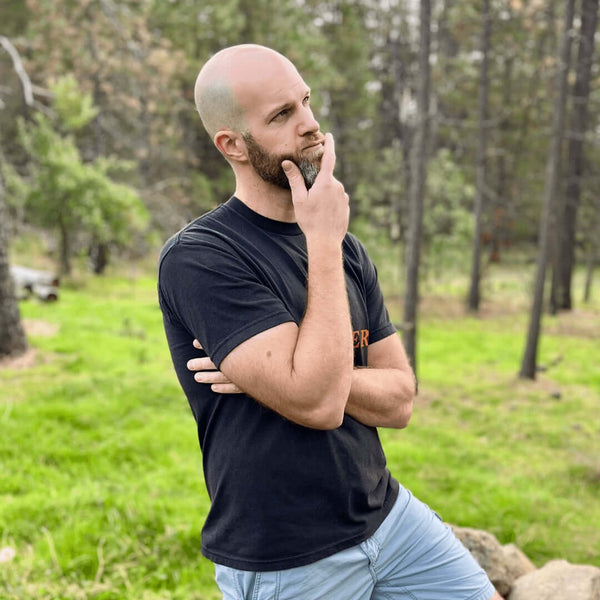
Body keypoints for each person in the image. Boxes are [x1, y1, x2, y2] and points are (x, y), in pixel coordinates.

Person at [158, 44, 502, 600]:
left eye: (306, 102)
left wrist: (301, 374)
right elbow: (317, 404)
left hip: (386, 518)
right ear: (231, 145)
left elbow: (399, 400)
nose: (310, 124)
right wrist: (320, 239)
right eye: (281, 115)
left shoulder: (347, 248)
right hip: (287, 557)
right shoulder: (202, 257)